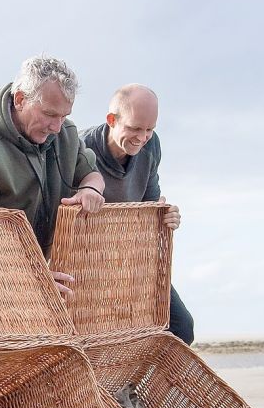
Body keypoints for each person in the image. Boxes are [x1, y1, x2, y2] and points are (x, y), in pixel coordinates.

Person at [0, 55, 105, 297]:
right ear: (20, 99)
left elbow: (91, 174)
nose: (57, 127)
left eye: (64, 116)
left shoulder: (65, 133)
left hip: (37, 278)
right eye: (49, 114)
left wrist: (91, 190)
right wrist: (31, 276)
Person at [80, 84, 194, 344]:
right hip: (88, 260)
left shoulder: (151, 147)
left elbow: (150, 204)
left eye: (149, 129)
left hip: (132, 257)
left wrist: (166, 216)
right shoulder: (80, 146)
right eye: (134, 128)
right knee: (100, 337)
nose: (142, 138)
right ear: (112, 120)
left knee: (181, 328)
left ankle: (137, 385)